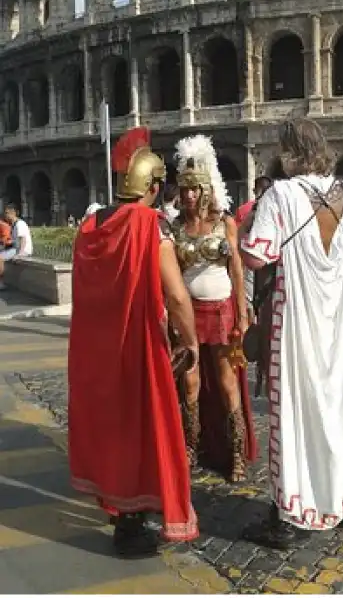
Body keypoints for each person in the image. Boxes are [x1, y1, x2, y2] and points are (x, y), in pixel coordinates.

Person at [238, 118, 343, 549]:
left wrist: (238, 231)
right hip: (340, 317)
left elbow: (255, 257)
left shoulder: (280, 194)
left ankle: (292, 515)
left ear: (288, 150)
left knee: (297, 411)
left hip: (296, 316)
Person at [68, 127, 199, 557]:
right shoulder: (149, 226)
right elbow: (177, 296)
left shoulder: (89, 225)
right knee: (143, 430)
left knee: (110, 430)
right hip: (137, 344)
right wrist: (191, 342)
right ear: (155, 187)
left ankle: (117, 508)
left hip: (94, 350)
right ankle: (132, 523)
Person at [172, 134, 257, 483]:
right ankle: (191, 448)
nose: (190, 195)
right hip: (189, 314)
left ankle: (236, 452)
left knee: (226, 382)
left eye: (195, 189)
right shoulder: (175, 226)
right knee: (189, 384)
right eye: (185, 189)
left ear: (207, 189)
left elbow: (237, 269)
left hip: (221, 311)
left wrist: (241, 312)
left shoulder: (226, 223)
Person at [235, 176, 273, 324]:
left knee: (250, 293)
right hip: (270, 259)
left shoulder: (245, 208)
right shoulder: (276, 208)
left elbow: (239, 233)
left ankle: (252, 320)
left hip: (249, 255)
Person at [0, 204, 33, 291]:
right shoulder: (13, 225)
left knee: (0, 258)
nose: (5, 215)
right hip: (15, 249)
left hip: (22, 250)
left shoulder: (20, 224)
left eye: (7, 213)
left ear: (13, 213)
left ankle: (1, 282)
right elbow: (14, 241)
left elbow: (23, 239)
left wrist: (20, 254)